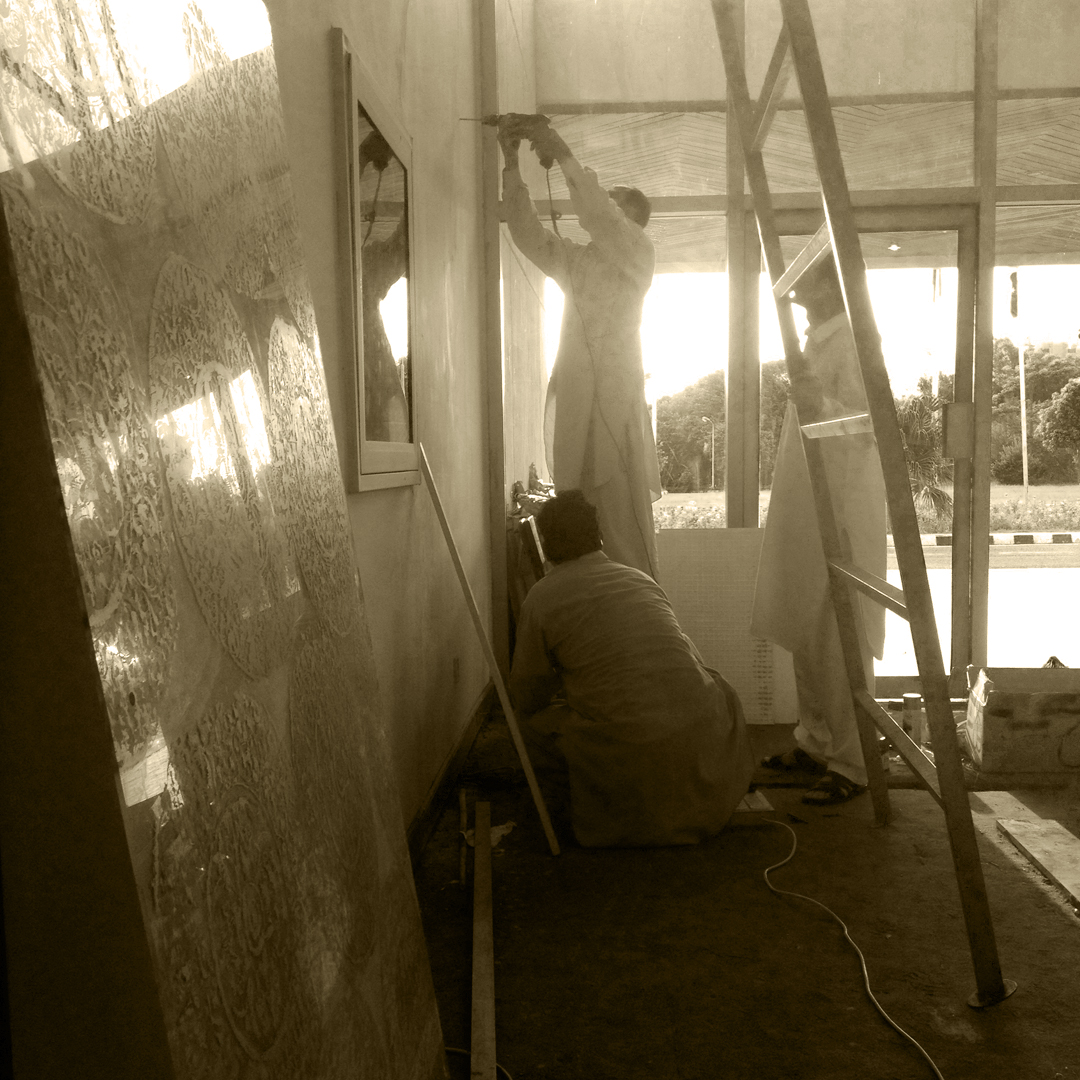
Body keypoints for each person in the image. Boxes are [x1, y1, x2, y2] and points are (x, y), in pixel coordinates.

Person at [509, 489, 754, 847]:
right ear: (598, 536)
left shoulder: (543, 596)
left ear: (546, 544)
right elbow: (687, 661)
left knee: (528, 725)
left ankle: (598, 809)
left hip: (630, 746)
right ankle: (701, 792)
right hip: (699, 736)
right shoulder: (639, 580)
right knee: (714, 686)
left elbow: (527, 692)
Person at [498, 117, 662, 579]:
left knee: (625, 540)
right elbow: (528, 234)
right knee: (576, 532)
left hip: (615, 414)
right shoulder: (579, 261)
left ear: (632, 221)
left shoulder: (639, 256)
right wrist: (510, 161)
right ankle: (584, 616)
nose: (606, 204)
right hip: (576, 415)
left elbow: (597, 214)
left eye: (616, 203)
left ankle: (642, 616)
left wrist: (560, 149)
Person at [750, 256, 887, 806]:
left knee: (837, 641)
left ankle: (853, 762)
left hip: (841, 513)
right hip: (808, 509)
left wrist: (820, 403)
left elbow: (868, 427)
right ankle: (815, 742)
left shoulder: (854, 342)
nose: (796, 289)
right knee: (805, 631)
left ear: (832, 284)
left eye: (807, 278)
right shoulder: (816, 342)